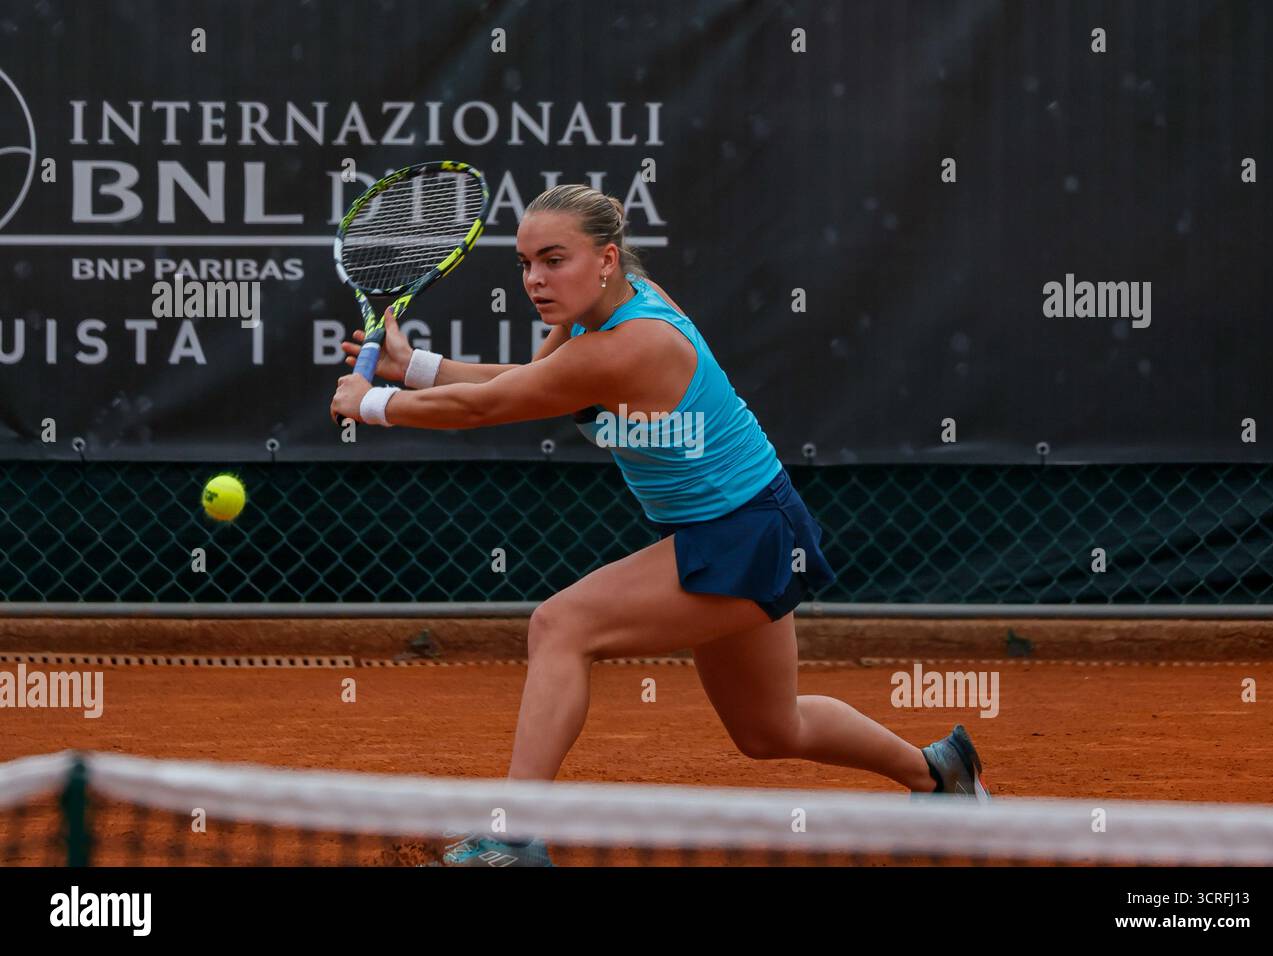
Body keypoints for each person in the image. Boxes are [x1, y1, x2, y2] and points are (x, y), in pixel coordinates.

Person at [331, 184, 990, 867]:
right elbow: (533, 379)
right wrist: (414, 370)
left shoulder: (632, 344)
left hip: (745, 533)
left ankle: (516, 832)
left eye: (554, 260)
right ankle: (941, 772)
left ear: (607, 259)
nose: (534, 279)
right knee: (769, 728)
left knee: (561, 626)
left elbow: (491, 407)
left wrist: (375, 402)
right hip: (759, 524)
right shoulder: (603, 313)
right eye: (525, 263)